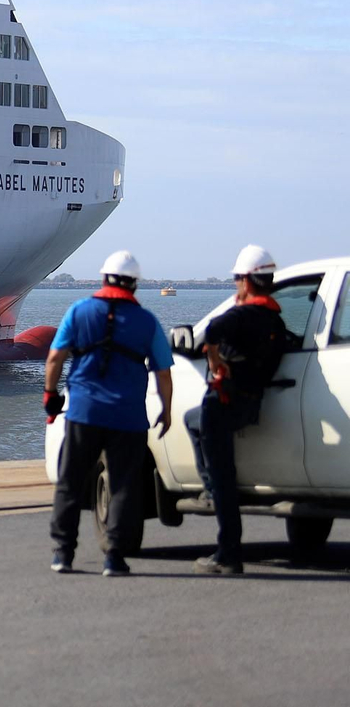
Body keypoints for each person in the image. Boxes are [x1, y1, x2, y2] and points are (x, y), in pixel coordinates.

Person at [44, 250, 174, 576]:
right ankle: (114, 556)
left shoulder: (79, 311)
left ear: (104, 279)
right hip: (128, 419)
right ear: (134, 285)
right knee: (124, 487)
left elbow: (55, 359)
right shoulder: (147, 322)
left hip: (84, 413)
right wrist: (167, 411)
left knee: (70, 483)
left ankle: (63, 553)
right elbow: (164, 373)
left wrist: (50, 397)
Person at [184, 245, 290, 575]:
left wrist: (215, 362)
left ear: (246, 280)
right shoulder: (275, 319)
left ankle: (227, 551)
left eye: (236, 280)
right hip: (249, 403)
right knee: (193, 422)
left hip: (222, 404)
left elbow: (212, 331)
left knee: (222, 477)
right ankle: (212, 489)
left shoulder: (243, 314)